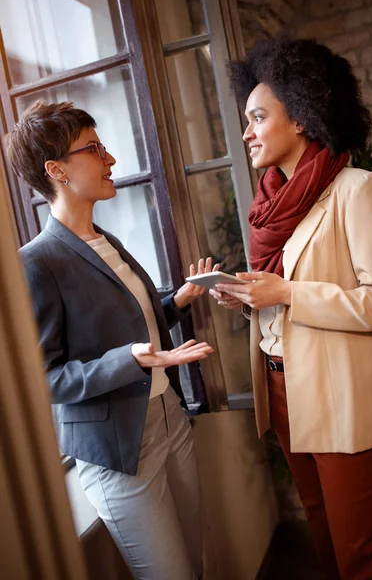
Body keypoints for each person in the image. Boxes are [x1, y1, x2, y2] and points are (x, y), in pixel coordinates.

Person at [210, 36, 372, 580]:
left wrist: (286, 293)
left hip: (341, 390)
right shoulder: (271, 205)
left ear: (302, 117)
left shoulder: (360, 191)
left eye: (258, 117)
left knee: (358, 548)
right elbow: (279, 294)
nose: (246, 132)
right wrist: (246, 297)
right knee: (320, 528)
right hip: (280, 385)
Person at [5, 100, 217, 580]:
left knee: (198, 565)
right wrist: (129, 361)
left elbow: (131, 330)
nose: (111, 159)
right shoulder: (35, 263)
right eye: (95, 149)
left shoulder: (106, 240)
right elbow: (45, 378)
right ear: (56, 169)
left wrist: (179, 301)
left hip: (170, 422)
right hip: (118, 452)